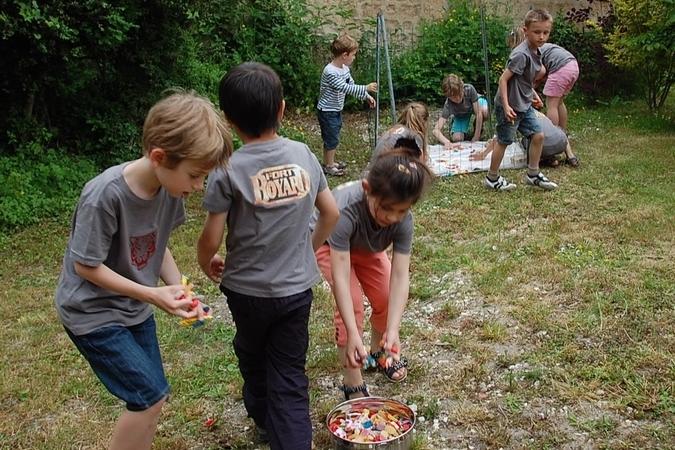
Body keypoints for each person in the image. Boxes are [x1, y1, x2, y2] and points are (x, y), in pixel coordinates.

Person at [54, 91, 232, 450]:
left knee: (153, 398)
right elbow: (85, 266)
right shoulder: (103, 196)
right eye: (195, 176)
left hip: (132, 309)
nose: (197, 188)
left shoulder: (169, 190)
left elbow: (157, 243)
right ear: (159, 157)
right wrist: (153, 295)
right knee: (149, 395)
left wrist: (179, 287)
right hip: (92, 314)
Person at [198, 62, 340, 450]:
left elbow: (212, 235)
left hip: (246, 292)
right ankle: (285, 433)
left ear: (227, 119)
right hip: (296, 291)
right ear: (281, 109)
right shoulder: (304, 154)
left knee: (252, 352)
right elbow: (331, 213)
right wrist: (306, 250)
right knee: (289, 374)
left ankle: (263, 418)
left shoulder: (227, 168)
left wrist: (205, 260)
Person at [313, 140, 433, 401]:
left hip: (366, 247)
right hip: (329, 243)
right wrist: (354, 334)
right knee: (352, 304)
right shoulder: (345, 210)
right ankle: (352, 377)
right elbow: (342, 276)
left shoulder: (403, 219)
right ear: (367, 189)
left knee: (387, 297)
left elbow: (400, 276)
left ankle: (380, 350)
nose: (392, 218)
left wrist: (394, 329)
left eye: (401, 211)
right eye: (387, 209)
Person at [484, 9, 558, 191]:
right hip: (509, 106)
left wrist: (534, 95)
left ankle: (533, 174)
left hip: (523, 104)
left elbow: (524, 80)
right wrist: (507, 106)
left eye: (545, 32)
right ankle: (492, 178)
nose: (541, 36)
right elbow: (503, 79)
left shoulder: (536, 51)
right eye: (537, 32)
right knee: (504, 141)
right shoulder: (521, 54)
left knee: (538, 135)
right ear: (525, 31)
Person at [317, 33, 378, 176]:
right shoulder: (330, 71)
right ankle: (329, 165)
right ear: (345, 55)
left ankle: (328, 163)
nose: (354, 57)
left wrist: (366, 96)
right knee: (331, 138)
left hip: (335, 109)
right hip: (327, 111)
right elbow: (346, 88)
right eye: (353, 55)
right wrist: (366, 87)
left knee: (332, 137)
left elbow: (351, 85)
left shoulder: (344, 69)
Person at [471, 110, 579, 167]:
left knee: (526, 141)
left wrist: (484, 154)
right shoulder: (535, 112)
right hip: (560, 143)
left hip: (542, 146)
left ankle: (546, 158)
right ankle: (570, 156)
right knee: (558, 132)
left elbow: (500, 138)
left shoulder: (517, 114)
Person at [432, 74, 489, 147]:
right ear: (448, 96)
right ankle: (456, 123)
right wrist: (446, 142)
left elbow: (478, 113)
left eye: (459, 94)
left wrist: (476, 137)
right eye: (453, 97)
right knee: (457, 138)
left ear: (462, 88)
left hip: (476, 104)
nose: (458, 99)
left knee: (485, 111)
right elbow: (435, 130)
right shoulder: (448, 105)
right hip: (461, 114)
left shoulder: (469, 89)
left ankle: (477, 126)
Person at [539, 43, 579, 130]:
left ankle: (552, 136)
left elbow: (541, 71)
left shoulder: (531, 51)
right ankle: (562, 133)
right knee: (559, 102)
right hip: (573, 66)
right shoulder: (543, 46)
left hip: (560, 68)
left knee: (551, 105)